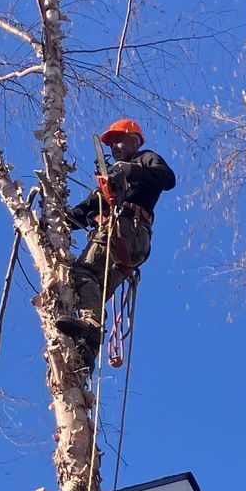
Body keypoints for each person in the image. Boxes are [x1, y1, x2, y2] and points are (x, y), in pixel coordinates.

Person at [57, 119, 175, 355]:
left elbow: (167, 178)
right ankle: (88, 351)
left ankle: (91, 324)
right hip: (130, 243)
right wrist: (58, 222)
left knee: (84, 272)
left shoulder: (146, 159)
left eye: (119, 140)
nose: (115, 147)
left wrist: (128, 170)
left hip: (128, 229)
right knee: (94, 289)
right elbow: (87, 209)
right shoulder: (109, 183)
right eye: (112, 144)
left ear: (135, 140)